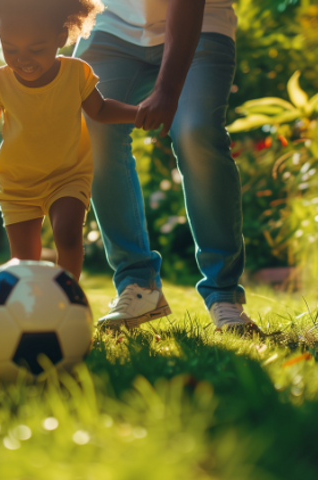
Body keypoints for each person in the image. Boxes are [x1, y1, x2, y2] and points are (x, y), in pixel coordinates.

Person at [74, 0, 255, 331]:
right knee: (89, 130)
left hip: (202, 23)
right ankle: (138, 285)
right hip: (112, 24)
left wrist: (168, 89)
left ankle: (223, 294)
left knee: (195, 131)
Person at [0, 0, 139, 281]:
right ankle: (29, 308)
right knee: (24, 261)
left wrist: (138, 113)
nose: (22, 59)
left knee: (67, 234)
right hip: (18, 184)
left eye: (36, 49)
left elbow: (100, 110)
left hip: (68, 175)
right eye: (10, 49)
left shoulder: (76, 73)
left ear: (60, 38)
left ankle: (69, 297)